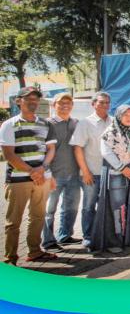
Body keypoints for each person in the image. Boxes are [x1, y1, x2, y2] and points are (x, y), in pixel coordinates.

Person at [1, 86, 57, 264]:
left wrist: (43, 169)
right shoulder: (9, 124)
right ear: (18, 101)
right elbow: (9, 155)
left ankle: (34, 251)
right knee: (13, 221)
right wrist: (33, 171)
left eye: (35, 99)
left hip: (42, 178)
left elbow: (50, 149)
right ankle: (10, 257)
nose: (33, 102)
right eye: (28, 99)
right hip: (18, 180)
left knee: (38, 217)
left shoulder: (45, 124)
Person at [91, 105, 130, 253]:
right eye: (125, 114)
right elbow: (106, 153)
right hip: (116, 174)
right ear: (118, 116)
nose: (128, 117)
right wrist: (122, 168)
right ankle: (115, 241)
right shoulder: (110, 132)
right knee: (117, 207)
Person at [69, 91, 112, 249]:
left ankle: (104, 235)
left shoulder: (113, 122)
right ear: (93, 104)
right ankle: (88, 236)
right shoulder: (85, 123)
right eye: (101, 102)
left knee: (107, 206)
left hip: (110, 174)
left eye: (107, 102)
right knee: (88, 206)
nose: (105, 105)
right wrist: (85, 172)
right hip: (91, 174)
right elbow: (78, 148)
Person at [42, 93, 82, 254]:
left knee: (70, 207)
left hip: (73, 174)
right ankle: (48, 240)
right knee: (49, 209)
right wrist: (46, 173)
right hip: (53, 175)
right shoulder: (47, 124)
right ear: (54, 105)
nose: (65, 105)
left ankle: (65, 235)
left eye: (68, 103)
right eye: (61, 103)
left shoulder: (76, 123)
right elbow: (43, 151)